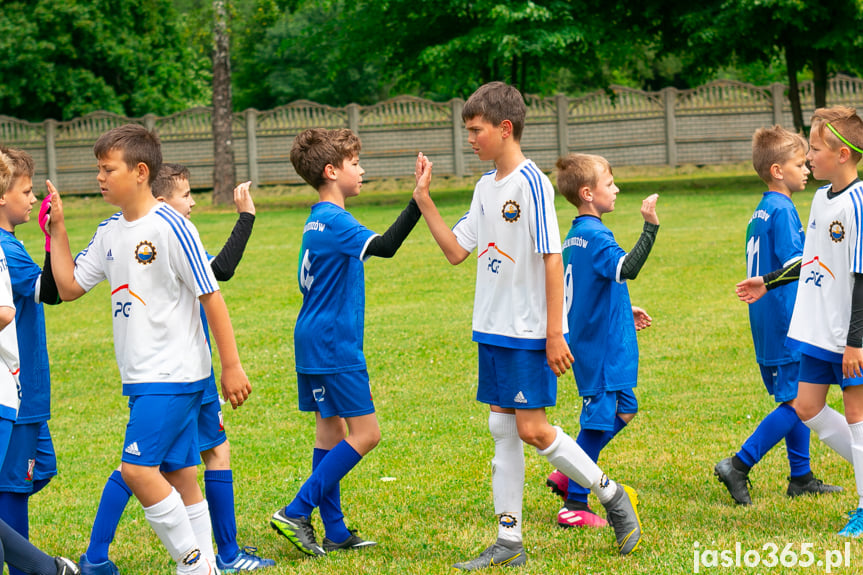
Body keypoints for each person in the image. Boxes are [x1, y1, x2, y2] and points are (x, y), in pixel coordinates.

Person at [411, 81, 642, 570]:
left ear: (505, 128)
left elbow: (552, 258)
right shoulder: (484, 186)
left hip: (526, 331)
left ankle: (612, 495)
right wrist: (425, 201)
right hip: (491, 328)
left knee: (534, 430)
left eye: (476, 130)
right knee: (503, 429)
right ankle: (508, 540)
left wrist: (554, 332)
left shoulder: (530, 182)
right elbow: (456, 252)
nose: (470, 139)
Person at [47, 123, 252, 575]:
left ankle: (193, 564)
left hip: (173, 374)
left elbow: (211, 295)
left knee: (139, 472)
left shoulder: (171, 227)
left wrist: (232, 367)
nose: (99, 178)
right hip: (143, 377)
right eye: (97, 169)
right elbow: (67, 287)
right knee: (179, 475)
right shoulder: (109, 232)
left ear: (140, 172)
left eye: (108, 169)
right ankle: (209, 567)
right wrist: (57, 229)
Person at [269, 128, 430, 557]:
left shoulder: (317, 216)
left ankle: (335, 531)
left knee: (331, 430)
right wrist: (418, 199)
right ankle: (296, 510)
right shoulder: (338, 222)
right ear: (331, 170)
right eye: (355, 164)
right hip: (333, 344)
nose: (362, 171)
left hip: (314, 339)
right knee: (367, 433)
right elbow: (387, 246)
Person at [737, 106, 863, 535]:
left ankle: (862, 506)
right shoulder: (817, 200)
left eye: (814, 148)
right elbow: (809, 259)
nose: (809, 157)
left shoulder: (858, 203)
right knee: (807, 408)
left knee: (855, 415)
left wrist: (856, 341)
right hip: (814, 331)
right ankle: (830, 475)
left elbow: (861, 276)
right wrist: (768, 282)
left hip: (848, 335)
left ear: (842, 153)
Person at [718, 126, 841, 505]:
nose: (806, 169)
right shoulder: (784, 210)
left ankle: (800, 476)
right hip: (788, 319)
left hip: (769, 320)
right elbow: (797, 265)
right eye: (798, 163)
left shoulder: (761, 210)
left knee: (793, 395)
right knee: (800, 401)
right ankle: (738, 464)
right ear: (776, 170)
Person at [542, 153, 658, 529]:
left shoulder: (575, 234)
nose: (617, 188)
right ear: (589, 193)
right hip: (600, 349)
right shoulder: (596, 234)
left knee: (626, 407)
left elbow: (595, 287)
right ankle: (574, 503)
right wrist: (650, 227)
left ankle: (570, 470)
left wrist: (625, 308)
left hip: (602, 339)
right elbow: (629, 268)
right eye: (610, 184)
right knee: (596, 423)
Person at [0, 149, 79, 575]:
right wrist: (55, 233)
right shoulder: (5, 251)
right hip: (17, 389)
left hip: (27, 391)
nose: (31, 199)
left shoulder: (9, 244)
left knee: (37, 470)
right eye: (25, 191)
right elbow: (51, 290)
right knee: (12, 487)